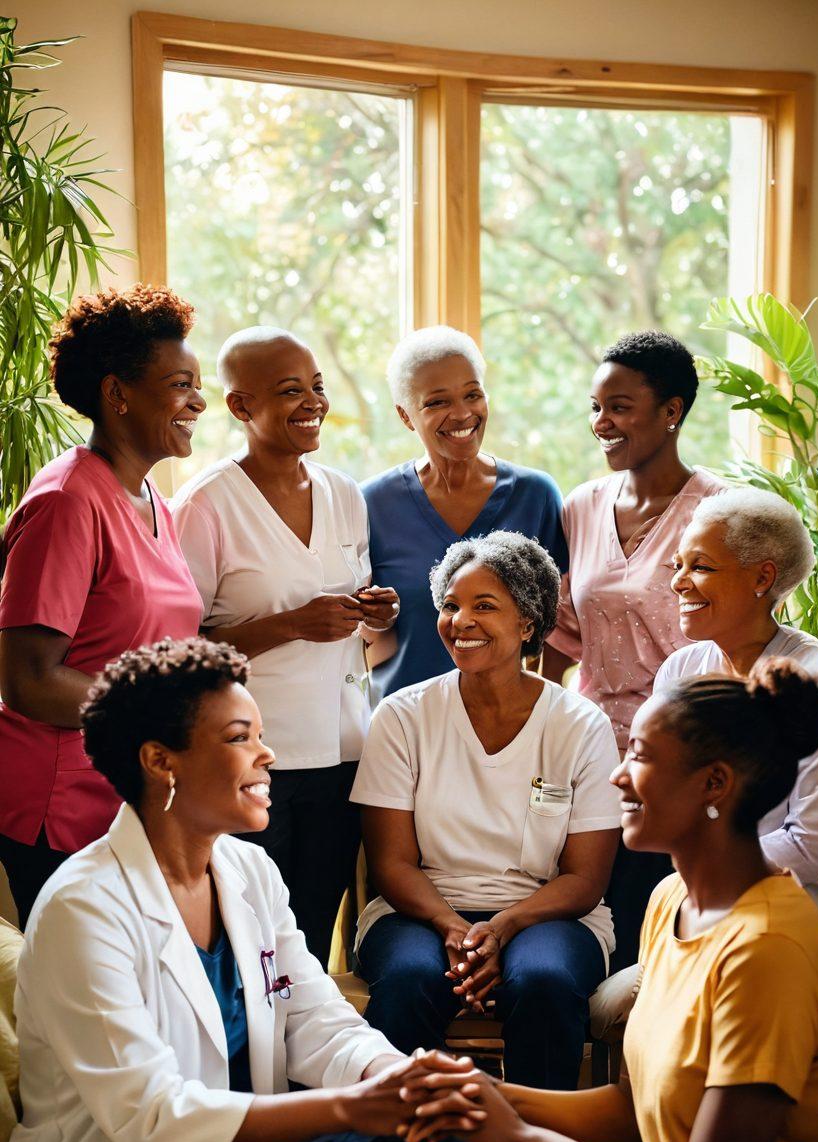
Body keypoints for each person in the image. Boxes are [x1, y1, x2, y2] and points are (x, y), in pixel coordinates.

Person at [4, 637, 479, 1142]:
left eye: (260, 734)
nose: (267, 754)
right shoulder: (84, 908)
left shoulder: (248, 870)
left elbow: (313, 1018)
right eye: (239, 738)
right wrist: (352, 1107)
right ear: (160, 761)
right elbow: (152, 1118)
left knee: (439, 1141)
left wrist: (395, 1078)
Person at [404, 659, 818, 1142]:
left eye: (642, 756)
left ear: (714, 783)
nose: (617, 775)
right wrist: (480, 1095)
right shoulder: (672, 899)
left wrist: (516, 1138)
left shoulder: (768, 948)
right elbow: (634, 1109)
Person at [354, 533, 621, 1090]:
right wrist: (452, 924)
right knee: (408, 979)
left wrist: (504, 926)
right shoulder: (402, 716)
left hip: (550, 914)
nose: (460, 620)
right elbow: (393, 863)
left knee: (544, 981)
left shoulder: (580, 725)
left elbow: (586, 877)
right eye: (451, 605)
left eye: (484, 606)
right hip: (420, 909)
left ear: (528, 623)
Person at [172, 327, 399, 966]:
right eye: (290, 391)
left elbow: (363, 635)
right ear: (241, 407)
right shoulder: (207, 504)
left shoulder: (344, 494)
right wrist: (289, 624)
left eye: (318, 387)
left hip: (345, 754)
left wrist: (375, 613)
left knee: (311, 945)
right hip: (253, 763)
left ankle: (307, 1071)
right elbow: (179, 654)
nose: (313, 403)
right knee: (249, 944)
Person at [0, 285, 205, 927]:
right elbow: (28, 682)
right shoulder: (67, 501)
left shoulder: (155, 504)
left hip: (130, 800)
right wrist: (154, 720)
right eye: (179, 384)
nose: (197, 400)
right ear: (118, 394)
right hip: (60, 808)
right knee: (83, 1013)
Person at [544, 331, 724, 968]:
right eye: (595, 407)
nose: (602, 423)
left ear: (671, 411)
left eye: (618, 406)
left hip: (680, 764)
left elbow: (739, 648)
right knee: (597, 941)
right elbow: (561, 638)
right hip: (592, 762)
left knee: (663, 949)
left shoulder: (721, 511)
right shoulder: (581, 506)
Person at [655, 485, 818, 920]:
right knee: (610, 993)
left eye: (701, 566)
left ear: (762, 578)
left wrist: (701, 875)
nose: (678, 582)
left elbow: (812, 844)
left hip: (794, 909)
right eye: (678, 565)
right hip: (697, 896)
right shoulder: (681, 670)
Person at [362, 327, 568, 699]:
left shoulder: (536, 495)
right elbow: (366, 640)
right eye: (437, 402)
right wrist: (374, 620)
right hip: (404, 726)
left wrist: (542, 717)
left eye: (472, 394)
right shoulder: (370, 505)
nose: (462, 414)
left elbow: (553, 633)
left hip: (510, 727)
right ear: (406, 416)